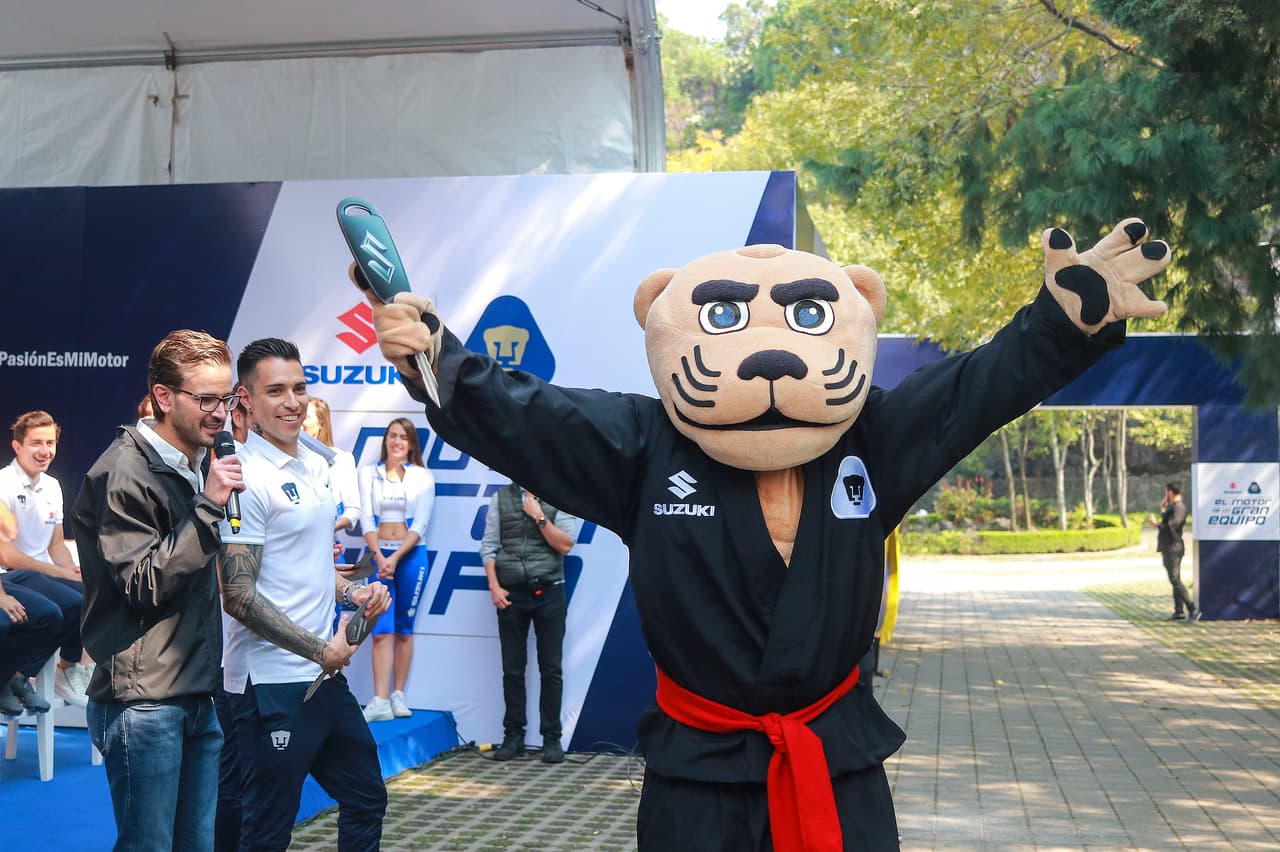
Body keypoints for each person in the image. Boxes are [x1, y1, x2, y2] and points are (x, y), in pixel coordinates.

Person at [73, 329, 244, 851]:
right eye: (207, 399)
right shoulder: (123, 471)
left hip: (192, 689)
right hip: (143, 702)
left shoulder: (192, 463)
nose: (221, 412)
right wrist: (211, 507)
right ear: (164, 397)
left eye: (228, 398)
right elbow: (144, 585)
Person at [218, 337, 390, 852]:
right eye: (275, 390)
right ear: (246, 401)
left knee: (366, 798)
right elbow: (238, 595)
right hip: (269, 684)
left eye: (298, 388)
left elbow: (310, 567)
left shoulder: (317, 467)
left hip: (321, 676)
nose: (292, 401)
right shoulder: (244, 478)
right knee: (266, 828)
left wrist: (354, 593)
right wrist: (322, 649)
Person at [481, 482, 578, 763]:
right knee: (512, 670)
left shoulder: (560, 494)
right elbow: (489, 546)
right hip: (511, 594)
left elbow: (566, 544)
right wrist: (494, 586)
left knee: (551, 669)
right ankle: (514, 736)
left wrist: (539, 516)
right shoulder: (500, 498)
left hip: (549, 591)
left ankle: (552, 738)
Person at [0, 410, 91, 708]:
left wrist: (70, 571)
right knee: (60, 609)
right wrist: (59, 573)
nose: (44, 451)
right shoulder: (4, 483)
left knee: (92, 596)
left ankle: (67, 668)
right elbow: (7, 555)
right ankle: (17, 676)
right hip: (12, 574)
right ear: (17, 447)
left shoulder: (52, 485)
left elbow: (55, 544)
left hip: (41, 574)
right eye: (36, 443)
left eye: (50, 443)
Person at [357, 417, 435, 722]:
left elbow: (421, 524)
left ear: (412, 444)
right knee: (380, 631)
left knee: (403, 628)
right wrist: (379, 556)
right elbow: (365, 518)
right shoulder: (368, 474)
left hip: (412, 556)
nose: (397, 441)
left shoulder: (423, 477)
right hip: (378, 558)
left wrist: (396, 558)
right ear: (385, 440)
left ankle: (398, 694)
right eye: (392, 435)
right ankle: (379, 700)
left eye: (403, 437)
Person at [0, 500, 62, 717]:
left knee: (50, 614)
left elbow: (8, 529)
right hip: (10, 573)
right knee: (3, 620)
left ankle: (13, 676)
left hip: (8, 578)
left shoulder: (51, 485)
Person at [303, 396, 361, 536]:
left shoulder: (342, 459)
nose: (300, 422)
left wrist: (327, 528)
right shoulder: (286, 456)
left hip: (329, 546)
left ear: (321, 423)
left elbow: (353, 510)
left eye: (306, 417)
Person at [1150, 481, 1198, 621]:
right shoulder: (1172, 507)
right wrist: (1164, 512)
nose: (1165, 495)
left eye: (1166, 491)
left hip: (1174, 547)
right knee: (1174, 579)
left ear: (1170, 492)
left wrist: (1156, 524)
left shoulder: (1179, 507)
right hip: (1168, 547)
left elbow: (1172, 527)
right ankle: (1179, 611)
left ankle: (1192, 608)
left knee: (1175, 579)